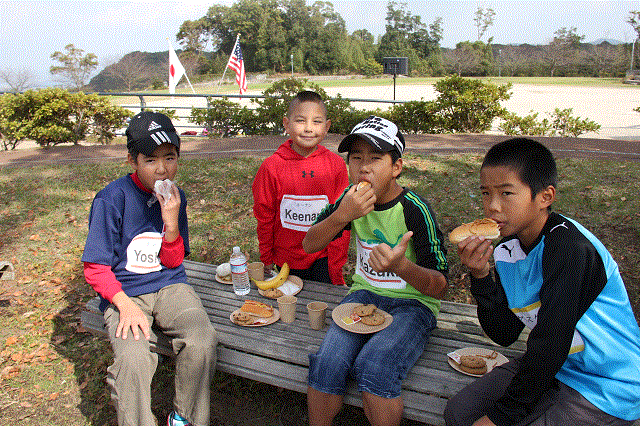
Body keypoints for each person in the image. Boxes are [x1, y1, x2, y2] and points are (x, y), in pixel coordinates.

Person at [445, 138, 640, 426]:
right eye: (486, 193)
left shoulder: (569, 248)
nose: (492, 207)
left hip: (607, 383)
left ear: (545, 197)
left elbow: (551, 341)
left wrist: (500, 416)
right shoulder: (506, 250)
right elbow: (504, 333)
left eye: (506, 193)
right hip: (555, 368)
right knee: (458, 412)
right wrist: (481, 276)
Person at [303, 116, 449, 426]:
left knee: (376, 364)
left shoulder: (414, 209)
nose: (364, 167)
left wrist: (402, 267)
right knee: (327, 361)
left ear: (397, 166)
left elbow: (439, 286)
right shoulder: (349, 199)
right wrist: (341, 216)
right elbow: (309, 244)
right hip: (363, 295)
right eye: (356, 158)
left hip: (413, 305)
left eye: (376, 158)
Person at [81, 111, 217, 426]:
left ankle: (185, 418)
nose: (162, 169)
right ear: (133, 161)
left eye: (169, 158)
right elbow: (95, 266)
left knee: (202, 339)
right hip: (125, 292)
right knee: (132, 359)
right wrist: (124, 305)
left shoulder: (175, 196)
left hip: (169, 285)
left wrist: (171, 223)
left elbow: (172, 261)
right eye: (150, 160)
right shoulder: (112, 199)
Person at [252, 90, 350, 285]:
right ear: (286, 124)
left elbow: (342, 219)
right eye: (300, 121)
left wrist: (336, 264)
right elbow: (264, 216)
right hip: (286, 260)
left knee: (323, 307)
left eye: (316, 121)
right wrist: (266, 257)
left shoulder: (336, 165)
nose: (308, 128)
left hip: (323, 258)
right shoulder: (271, 167)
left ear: (327, 126)